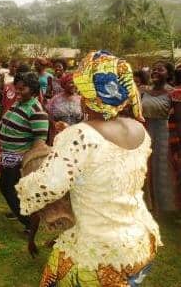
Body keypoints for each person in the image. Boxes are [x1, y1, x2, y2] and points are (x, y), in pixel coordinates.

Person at [16, 51, 161, 286]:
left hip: (97, 252)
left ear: (89, 95)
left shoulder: (80, 134)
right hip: (139, 243)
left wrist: (27, 181)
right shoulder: (139, 130)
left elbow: (46, 187)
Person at [0, 73, 48, 232]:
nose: (17, 92)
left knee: (8, 187)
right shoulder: (18, 103)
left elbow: (40, 142)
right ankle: (22, 213)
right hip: (9, 156)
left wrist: (26, 162)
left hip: (19, 159)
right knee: (9, 188)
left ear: (33, 91)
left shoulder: (36, 110)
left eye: (22, 89)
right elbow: (10, 119)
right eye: (16, 88)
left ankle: (29, 222)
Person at [141, 61, 181, 212]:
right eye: (154, 69)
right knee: (146, 167)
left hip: (164, 134)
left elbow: (177, 118)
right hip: (145, 133)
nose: (155, 71)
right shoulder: (143, 91)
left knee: (164, 168)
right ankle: (150, 205)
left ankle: (168, 207)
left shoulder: (172, 92)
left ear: (169, 74)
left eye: (160, 69)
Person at [46, 73, 83, 144]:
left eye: (76, 83)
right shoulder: (55, 99)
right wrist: (55, 124)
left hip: (76, 137)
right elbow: (48, 116)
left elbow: (84, 119)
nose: (74, 85)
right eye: (71, 82)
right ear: (64, 84)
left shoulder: (81, 100)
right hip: (59, 136)